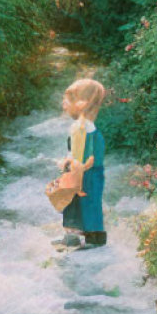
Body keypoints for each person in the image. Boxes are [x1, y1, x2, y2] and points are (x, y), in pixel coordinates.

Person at [56, 78, 106, 249]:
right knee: (92, 203)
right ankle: (95, 237)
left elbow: (76, 157)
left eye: (68, 100)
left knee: (73, 203)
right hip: (95, 172)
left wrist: (64, 164)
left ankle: (73, 238)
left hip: (82, 173)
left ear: (82, 103)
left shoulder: (79, 127)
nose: (64, 104)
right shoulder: (91, 127)